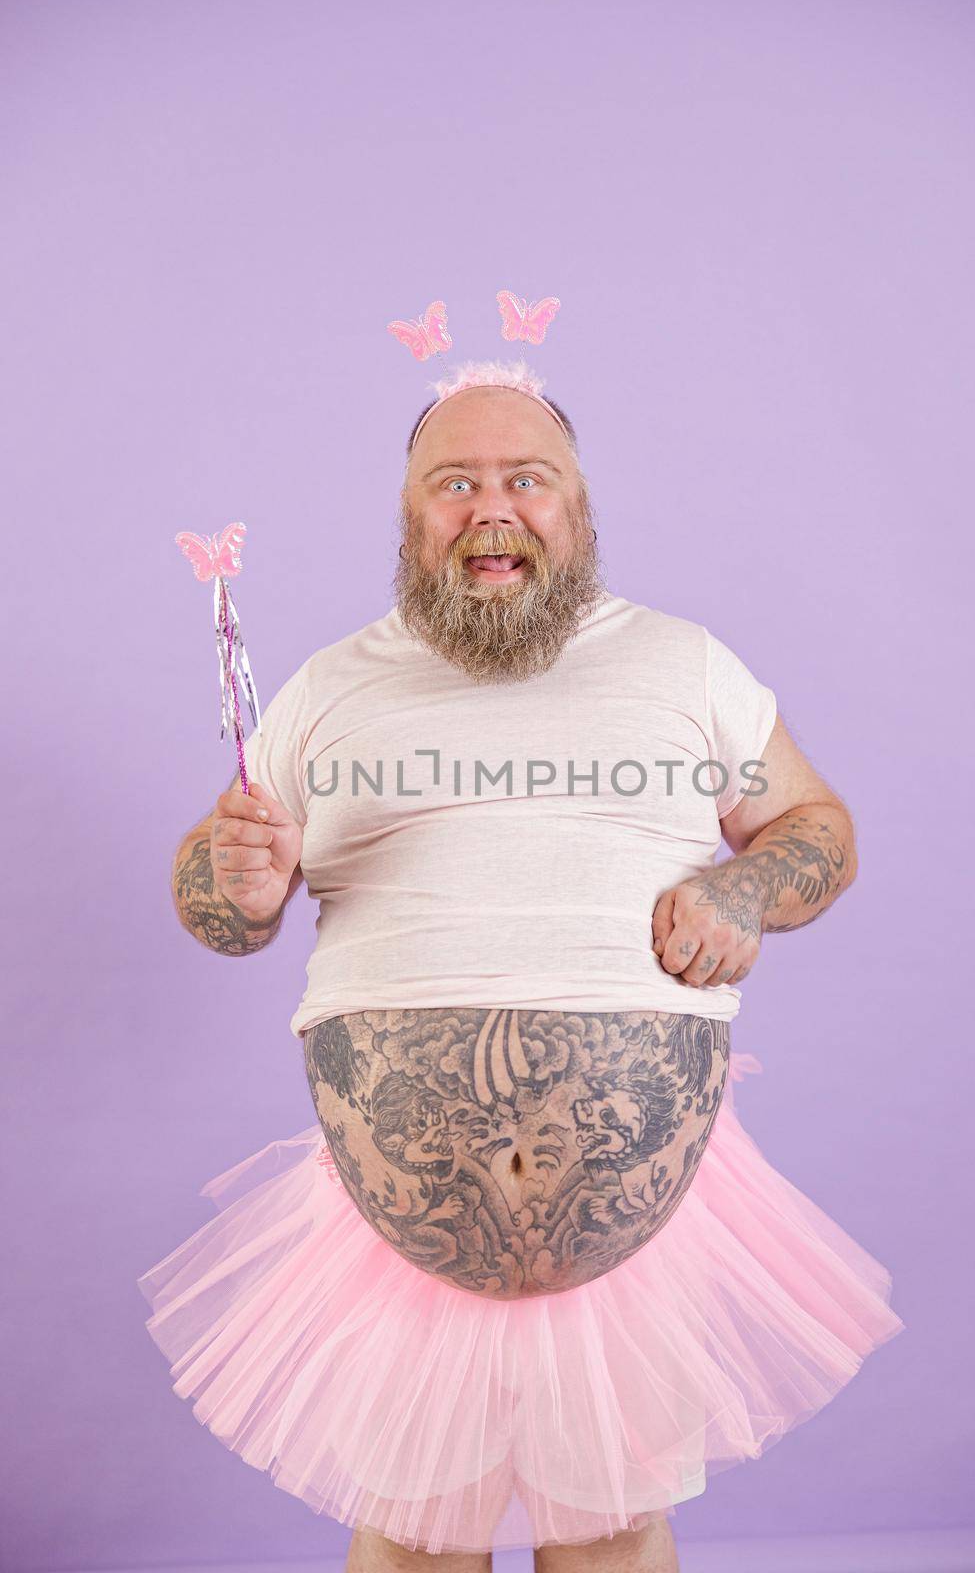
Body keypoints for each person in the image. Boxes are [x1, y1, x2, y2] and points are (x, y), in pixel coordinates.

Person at [139, 360, 904, 1573]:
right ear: (410, 517)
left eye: (523, 479)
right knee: (415, 1543)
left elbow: (815, 829)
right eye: (454, 482)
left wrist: (741, 885)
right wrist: (227, 884)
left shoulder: (683, 665)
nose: (490, 507)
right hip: (391, 1237)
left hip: (638, 1227)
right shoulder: (327, 689)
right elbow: (223, 906)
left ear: (576, 509)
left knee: (608, 1534)